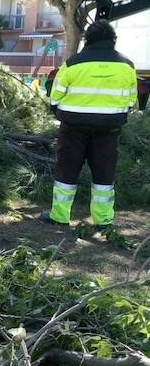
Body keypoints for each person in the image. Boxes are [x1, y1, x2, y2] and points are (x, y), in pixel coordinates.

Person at [40, 20, 138, 228]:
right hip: (109, 130)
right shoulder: (127, 66)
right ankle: (103, 220)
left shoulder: (72, 64)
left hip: (73, 128)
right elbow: (131, 101)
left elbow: (55, 97)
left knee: (67, 172)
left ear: (88, 40)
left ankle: (60, 216)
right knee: (104, 175)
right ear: (112, 40)